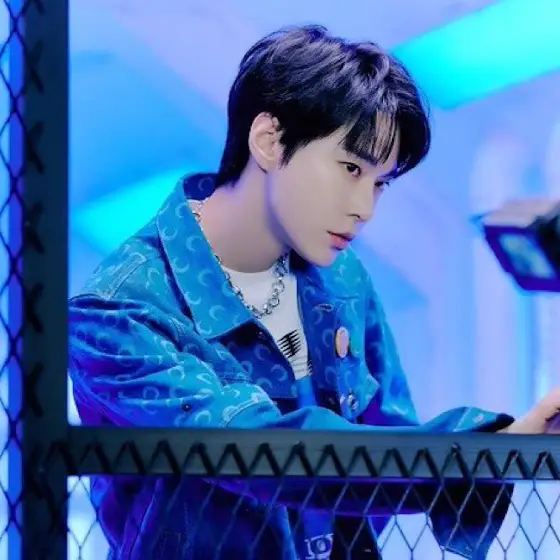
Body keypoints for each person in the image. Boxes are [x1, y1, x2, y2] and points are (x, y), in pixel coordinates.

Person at [68, 25, 560, 559]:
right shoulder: (120, 309)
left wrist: (506, 446)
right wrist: (483, 446)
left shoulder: (343, 279)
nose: (364, 209)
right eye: (350, 169)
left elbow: (392, 440)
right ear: (269, 141)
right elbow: (255, 446)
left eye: (380, 183)